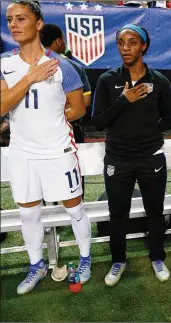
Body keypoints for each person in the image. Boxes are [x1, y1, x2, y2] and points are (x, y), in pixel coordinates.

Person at [1, 0, 92, 295]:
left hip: (57, 152)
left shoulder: (63, 65)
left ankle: (85, 259)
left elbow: (77, 109)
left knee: (75, 209)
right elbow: (2, 105)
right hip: (22, 154)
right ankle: (37, 265)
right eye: (10, 19)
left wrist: (49, 119)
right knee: (28, 213)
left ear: (39, 24)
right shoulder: (4, 64)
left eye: (21, 19)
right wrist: (30, 77)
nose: (14, 24)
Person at [92, 24, 171, 286]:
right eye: (120, 43)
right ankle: (118, 261)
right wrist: (124, 100)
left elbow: (169, 119)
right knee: (118, 214)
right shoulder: (107, 80)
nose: (125, 48)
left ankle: (157, 257)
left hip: (151, 158)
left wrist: (148, 133)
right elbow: (98, 122)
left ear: (143, 46)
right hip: (118, 160)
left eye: (132, 42)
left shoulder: (160, 81)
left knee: (154, 211)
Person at [40, 23, 92, 199]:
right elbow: (84, 101)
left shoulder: (28, 66)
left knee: (42, 171)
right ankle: (77, 209)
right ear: (58, 41)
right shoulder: (72, 66)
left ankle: (49, 221)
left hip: (38, 130)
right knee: (73, 170)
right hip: (69, 127)